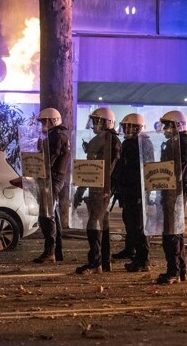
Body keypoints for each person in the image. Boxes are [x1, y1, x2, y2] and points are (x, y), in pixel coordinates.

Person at [74, 107, 121, 274]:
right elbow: (89, 168)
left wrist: (103, 188)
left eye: (97, 121)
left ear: (107, 122)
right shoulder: (100, 139)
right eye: (93, 121)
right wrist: (82, 187)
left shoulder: (111, 140)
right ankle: (104, 261)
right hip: (97, 187)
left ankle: (95, 262)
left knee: (94, 224)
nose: (94, 124)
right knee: (101, 224)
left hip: (102, 188)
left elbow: (107, 168)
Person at [113, 113, 154, 272]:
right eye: (125, 126)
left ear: (138, 128)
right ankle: (131, 250)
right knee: (129, 222)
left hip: (137, 189)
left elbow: (140, 169)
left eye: (130, 126)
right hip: (128, 189)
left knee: (138, 225)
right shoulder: (130, 143)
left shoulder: (143, 143)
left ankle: (143, 259)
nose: (126, 129)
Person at [32, 108, 71, 263]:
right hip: (55, 178)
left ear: (52, 121)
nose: (42, 124)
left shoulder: (56, 137)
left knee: (47, 215)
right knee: (53, 214)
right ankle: (57, 252)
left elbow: (49, 160)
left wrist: (36, 167)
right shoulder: (57, 136)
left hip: (52, 178)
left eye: (44, 121)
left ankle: (50, 253)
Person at [155, 110, 187, 284]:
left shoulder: (181, 144)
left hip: (175, 193)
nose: (166, 128)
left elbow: (177, 170)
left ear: (178, 125)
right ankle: (180, 269)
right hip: (172, 192)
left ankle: (173, 271)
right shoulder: (174, 142)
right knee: (175, 232)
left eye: (168, 124)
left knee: (171, 233)